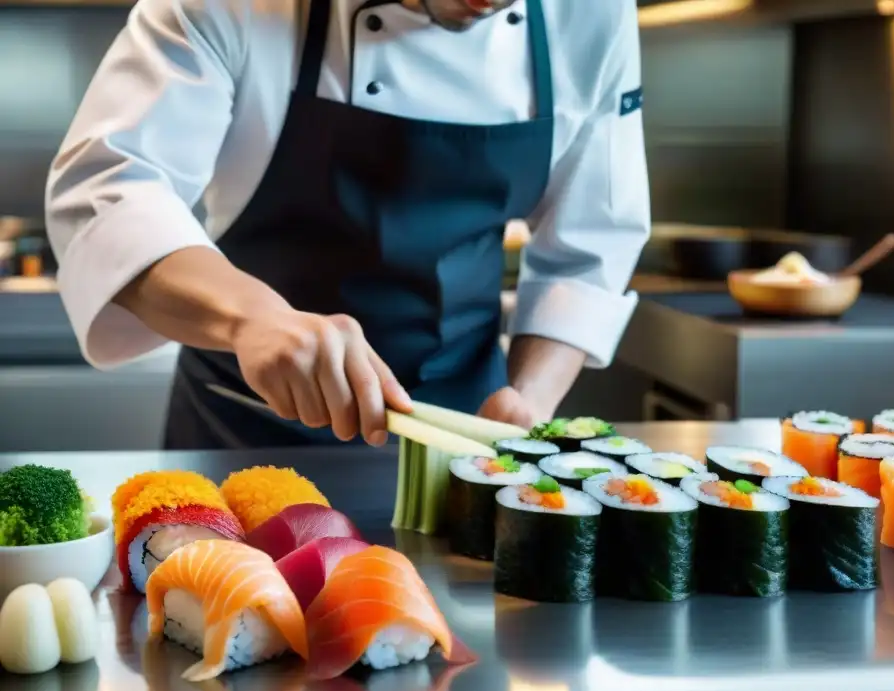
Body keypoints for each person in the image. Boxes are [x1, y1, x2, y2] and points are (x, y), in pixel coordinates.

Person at [45, 0, 650, 450]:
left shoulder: (590, 13)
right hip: (243, 429)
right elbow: (107, 190)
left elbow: (590, 243)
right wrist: (254, 319)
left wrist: (526, 403)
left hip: (463, 433)